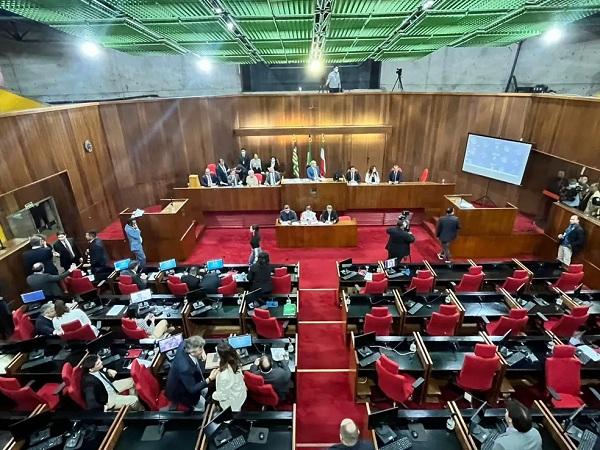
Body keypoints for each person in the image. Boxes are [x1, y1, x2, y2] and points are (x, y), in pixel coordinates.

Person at [166, 335, 216, 412]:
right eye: (200, 349)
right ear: (192, 352)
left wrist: (202, 352)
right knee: (201, 407)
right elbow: (192, 389)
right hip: (181, 392)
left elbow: (188, 340)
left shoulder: (184, 344)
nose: (202, 351)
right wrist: (209, 379)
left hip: (187, 378)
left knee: (204, 389)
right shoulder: (185, 368)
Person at [211, 342, 247, 412]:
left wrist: (213, 395)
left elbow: (223, 395)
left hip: (232, 403)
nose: (216, 354)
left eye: (217, 353)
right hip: (240, 394)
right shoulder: (235, 361)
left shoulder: (224, 376)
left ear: (222, 356)